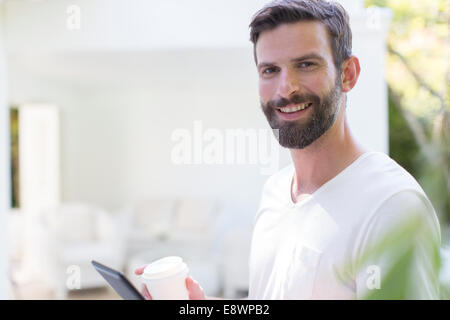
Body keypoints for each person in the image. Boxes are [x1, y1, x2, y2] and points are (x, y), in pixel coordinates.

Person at [136, 0, 442, 300]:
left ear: (347, 74)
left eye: (306, 64)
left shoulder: (392, 206)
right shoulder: (275, 192)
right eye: (270, 70)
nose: (286, 88)